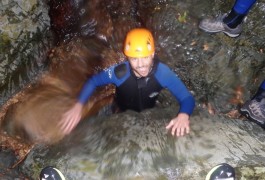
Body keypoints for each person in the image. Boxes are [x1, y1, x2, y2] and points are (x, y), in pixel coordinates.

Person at [59, 28, 195, 137]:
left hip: (151, 114)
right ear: (127, 58)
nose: (141, 65)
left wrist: (183, 115)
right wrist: (79, 104)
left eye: (145, 58)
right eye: (134, 59)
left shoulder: (163, 73)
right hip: (119, 112)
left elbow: (187, 98)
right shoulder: (119, 73)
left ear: (153, 54)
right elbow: (93, 81)